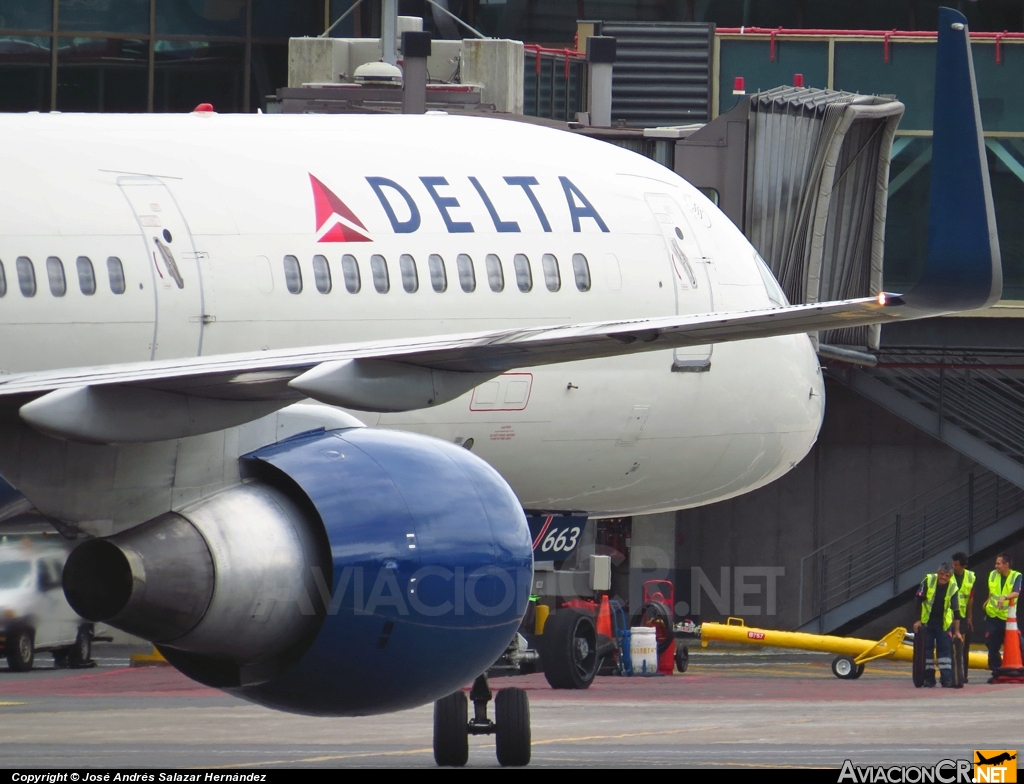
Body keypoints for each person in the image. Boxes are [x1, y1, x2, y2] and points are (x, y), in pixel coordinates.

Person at [914, 562, 961, 687]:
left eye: (947, 575)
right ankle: (929, 679)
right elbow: (918, 601)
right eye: (942, 574)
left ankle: (946, 679)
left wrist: (957, 631)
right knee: (927, 651)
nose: (944, 577)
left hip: (943, 625)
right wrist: (917, 620)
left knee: (945, 652)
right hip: (927, 624)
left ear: (950, 576)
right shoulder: (928, 580)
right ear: (937, 573)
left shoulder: (953, 587)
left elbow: (957, 611)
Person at [984, 552, 1022, 682]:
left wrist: (1004, 597)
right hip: (992, 615)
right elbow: (992, 590)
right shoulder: (993, 574)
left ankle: (1019, 671)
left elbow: (1016, 592)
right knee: (992, 645)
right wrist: (988, 600)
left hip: (1007, 619)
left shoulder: (1016, 576)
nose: (996, 566)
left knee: (1018, 644)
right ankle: (997, 671)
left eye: (999, 564)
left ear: (1006, 565)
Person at [951, 551, 975, 683]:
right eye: (953, 564)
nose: (953, 567)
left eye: (956, 565)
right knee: (949, 645)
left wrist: (969, 617)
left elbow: (970, 598)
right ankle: (950, 674)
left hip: (963, 615)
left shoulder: (970, 577)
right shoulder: (948, 576)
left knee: (964, 647)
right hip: (949, 615)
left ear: (963, 566)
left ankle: (963, 675)